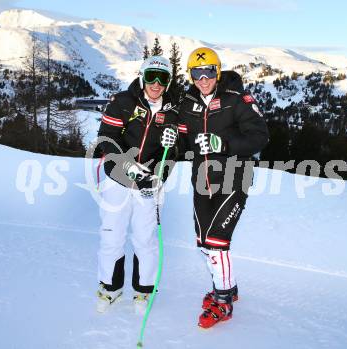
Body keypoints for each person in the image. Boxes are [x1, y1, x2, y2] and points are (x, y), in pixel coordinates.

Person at [177, 47, 269, 328]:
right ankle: (228, 285)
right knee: (204, 243)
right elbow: (184, 144)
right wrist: (173, 139)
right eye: (197, 73)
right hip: (202, 179)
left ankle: (224, 301)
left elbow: (260, 136)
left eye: (208, 72)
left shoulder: (236, 99)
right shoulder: (187, 103)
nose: (203, 79)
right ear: (191, 75)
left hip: (234, 176)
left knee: (217, 240)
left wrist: (224, 145)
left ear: (217, 72)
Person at [96, 55, 179, 313]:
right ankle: (111, 288)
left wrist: (159, 171)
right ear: (142, 75)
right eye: (151, 76)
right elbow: (106, 140)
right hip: (117, 180)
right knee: (112, 235)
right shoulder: (123, 102)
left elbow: (175, 153)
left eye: (162, 78)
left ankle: (143, 291)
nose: (156, 83)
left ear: (169, 81)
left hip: (149, 183)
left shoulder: (175, 110)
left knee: (145, 239)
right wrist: (125, 165)